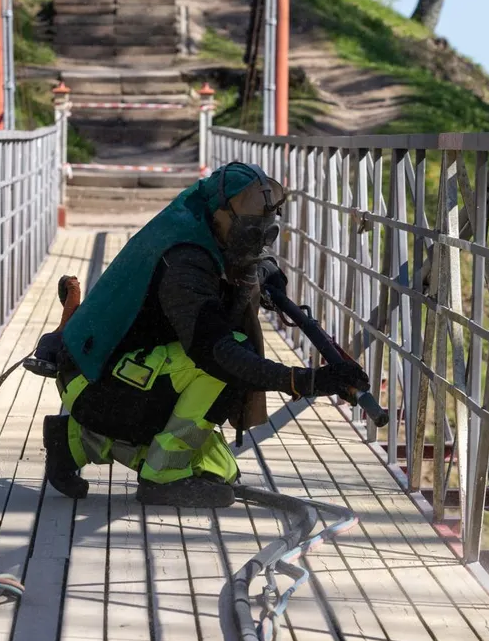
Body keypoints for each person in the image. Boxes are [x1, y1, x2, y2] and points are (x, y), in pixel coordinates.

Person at [41, 162, 370, 508]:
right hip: (93, 386)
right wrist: (304, 380)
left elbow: (224, 274)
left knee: (220, 471)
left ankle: (74, 441)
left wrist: (258, 272)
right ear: (221, 213)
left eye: (265, 222)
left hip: (99, 375)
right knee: (225, 364)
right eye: (250, 223)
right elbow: (216, 352)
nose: (259, 231)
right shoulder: (184, 262)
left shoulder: (194, 223)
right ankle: (163, 478)